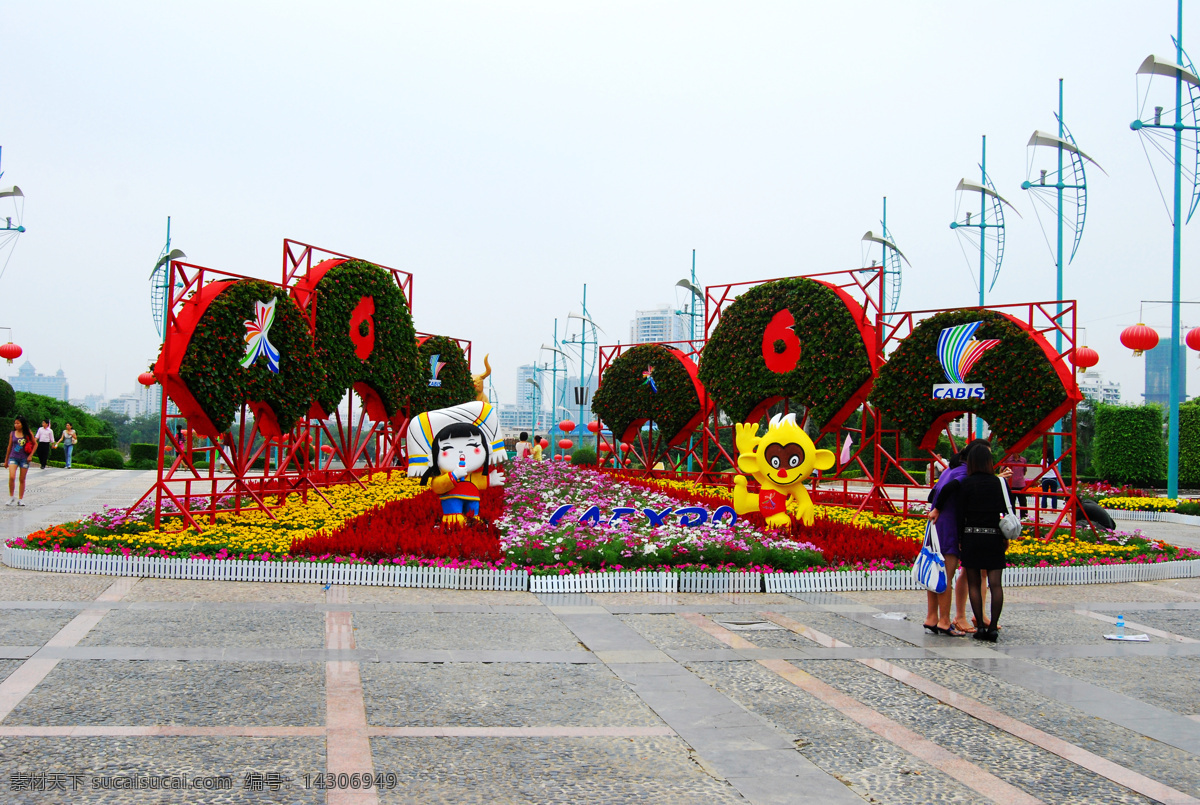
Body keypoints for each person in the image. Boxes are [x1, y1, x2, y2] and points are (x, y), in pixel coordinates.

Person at [937, 441, 1010, 642]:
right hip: (993, 537)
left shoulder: (966, 483)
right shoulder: (998, 483)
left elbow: (960, 514)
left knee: (975, 583)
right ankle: (992, 627)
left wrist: (961, 537)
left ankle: (978, 629)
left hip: (972, 536)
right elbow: (1005, 510)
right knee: (996, 584)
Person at [926, 448, 969, 636]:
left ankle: (931, 617)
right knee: (946, 575)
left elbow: (932, 494)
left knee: (935, 573)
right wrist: (940, 509)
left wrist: (935, 508)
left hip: (935, 526)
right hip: (949, 525)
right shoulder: (964, 472)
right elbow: (949, 489)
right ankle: (944, 620)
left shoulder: (948, 471)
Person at [6, 416, 34, 506]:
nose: (16, 425)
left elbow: (35, 444)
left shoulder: (28, 433)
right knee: (12, 477)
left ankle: (20, 498)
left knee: (22, 479)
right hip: (13, 457)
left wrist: (30, 455)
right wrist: (6, 460)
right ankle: (11, 497)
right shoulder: (12, 433)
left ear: (22, 424)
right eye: (15, 423)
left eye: (18, 423)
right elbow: (9, 447)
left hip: (24, 458)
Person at [1040, 444, 1059, 510]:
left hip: (1045, 478)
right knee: (1054, 494)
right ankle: (1054, 509)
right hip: (1053, 478)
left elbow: (1042, 470)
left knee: (1044, 494)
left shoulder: (1043, 460)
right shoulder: (1055, 460)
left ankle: (1044, 509)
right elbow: (1056, 470)